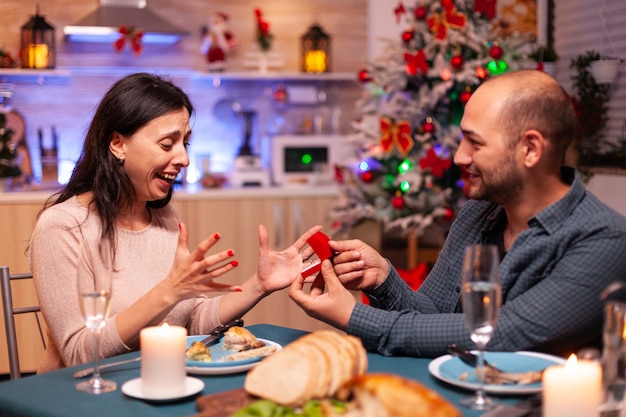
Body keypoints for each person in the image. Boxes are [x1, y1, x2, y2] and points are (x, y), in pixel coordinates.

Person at [290, 69, 626, 358]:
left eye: (474, 143)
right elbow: (432, 315)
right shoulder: (477, 214)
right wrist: (383, 278)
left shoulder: (605, 239)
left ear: (530, 149)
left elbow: (503, 334)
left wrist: (353, 317)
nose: (459, 158)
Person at [29, 72, 320, 373]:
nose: (184, 159)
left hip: (159, 379)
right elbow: (78, 353)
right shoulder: (63, 227)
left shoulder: (163, 217)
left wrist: (258, 285)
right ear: (118, 144)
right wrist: (168, 291)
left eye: (185, 144)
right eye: (168, 145)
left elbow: (189, 319)